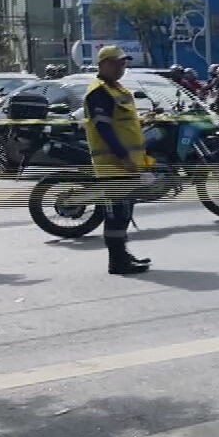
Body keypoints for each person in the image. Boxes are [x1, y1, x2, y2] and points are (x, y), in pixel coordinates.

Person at [82, 46, 152, 275]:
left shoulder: (118, 89)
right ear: (104, 64)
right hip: (114, 164)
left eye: (124, 63)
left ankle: (122, 254)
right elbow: (104, 128)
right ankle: (117, 261)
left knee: (125, 212)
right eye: (117, 63)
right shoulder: (99, 92)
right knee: (117, 213)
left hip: (128, 164)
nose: (122, 67)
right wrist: (123, 156)